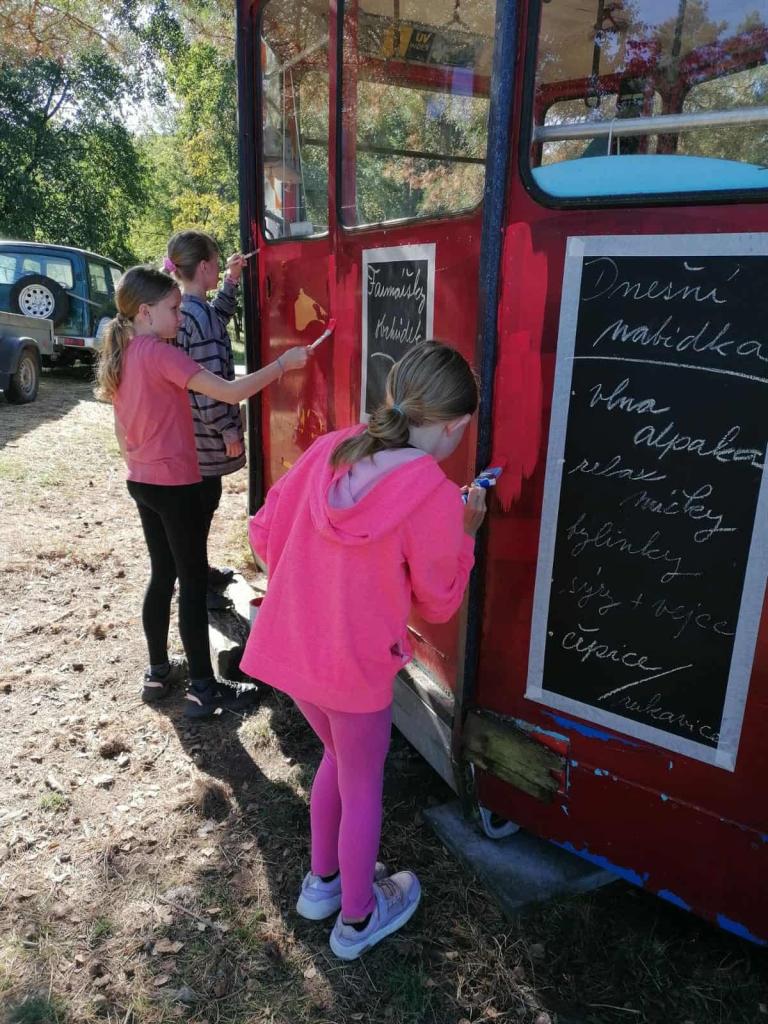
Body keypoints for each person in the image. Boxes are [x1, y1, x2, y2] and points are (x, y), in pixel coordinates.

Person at [240, 342, 487, 959]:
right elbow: (439, 601)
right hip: (354, 671)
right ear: (455, 425)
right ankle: (357, 919)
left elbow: (264, 532)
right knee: (362, 787)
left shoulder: (335, 447)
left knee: (336, 758)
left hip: (292, 650)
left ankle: (322, 883)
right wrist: (465, 533)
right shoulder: (433, 493)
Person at [96, 265, 309, 719]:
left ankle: (158, 673)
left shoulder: (123, 352)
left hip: (142, 481)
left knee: (162, 574)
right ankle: (202, 689)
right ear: (146, 312)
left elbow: (119, 431)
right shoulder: (160, 353)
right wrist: (282, 365)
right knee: (192, 583)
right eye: (174, 309)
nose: (181, 317)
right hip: (175, 486)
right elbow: (229, 392)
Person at [164, 230, 246, 611]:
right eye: (216, 262)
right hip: (205, 436)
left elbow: (218, 315)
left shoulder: (187, 310)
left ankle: (197, 572)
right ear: (203, 267)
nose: (218, 267)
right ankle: (196, 585)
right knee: (200, 510)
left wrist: (231, 280)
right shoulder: (199, 320)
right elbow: (208, 386)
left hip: (189, 435)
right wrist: (227, 428)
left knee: (197, 509)